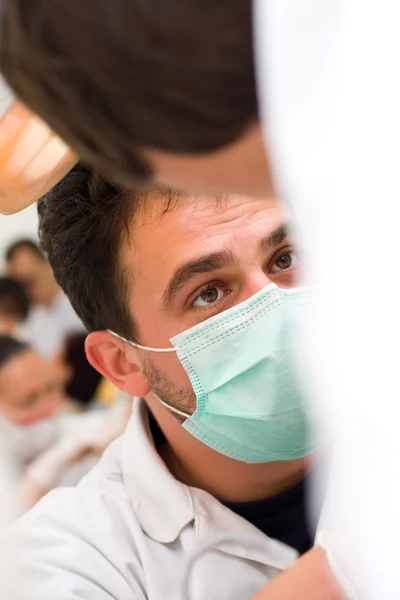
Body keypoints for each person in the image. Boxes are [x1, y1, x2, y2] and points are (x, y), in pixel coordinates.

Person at [5, 164, 342, 600]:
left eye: (284, 258)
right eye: (208, 293)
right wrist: (349, 566)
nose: (274, 305)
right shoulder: (64, 560)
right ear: (122, 364)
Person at [0, 334, 131, 518]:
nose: (49, 406)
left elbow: (102, 427)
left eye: (52, 387)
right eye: (29, 401)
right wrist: (52, 464)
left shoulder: (75, 433)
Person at [5, 238, 85, 356]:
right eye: (21, 283)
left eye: (30, 279)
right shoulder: (26, 331)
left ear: (47, 263)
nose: (27, 289)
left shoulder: (84, 296)